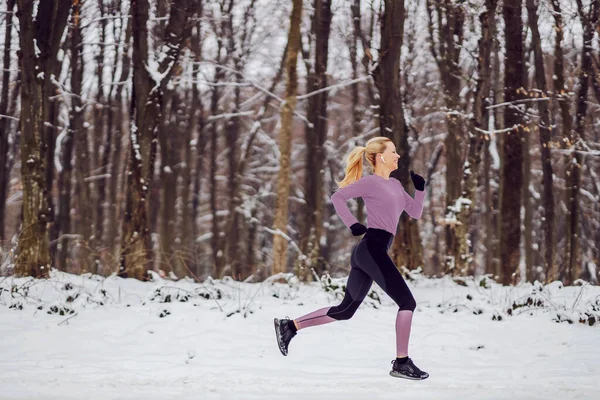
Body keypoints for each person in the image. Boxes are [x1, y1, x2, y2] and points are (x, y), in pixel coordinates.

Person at [274, 136, 429, 380]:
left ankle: (289, 326)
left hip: (371, 252)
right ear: (381, 157)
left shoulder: (397, 186)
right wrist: (353, 224)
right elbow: (338, 197)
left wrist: (419, 190)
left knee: (345, 311)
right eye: (394, 152)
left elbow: (415, 212)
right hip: (371, 248)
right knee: (407, 303)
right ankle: (402, 362)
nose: (398, 156)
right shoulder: (370, 182)